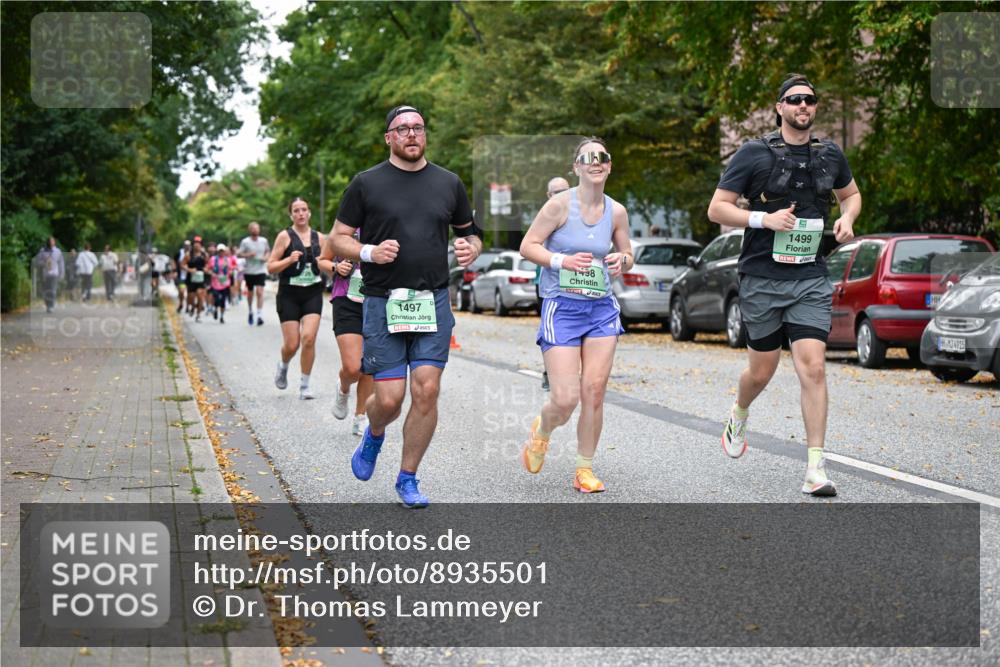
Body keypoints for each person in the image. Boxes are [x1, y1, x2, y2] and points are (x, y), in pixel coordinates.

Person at [707, 74, 861, 497]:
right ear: (780, 107)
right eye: (794, 100)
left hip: (809, 276)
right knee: (762, 370)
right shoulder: (754, 153)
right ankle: (739, 414)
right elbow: (716, 208)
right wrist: (763, 219)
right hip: (761, 277)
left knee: (812, 365)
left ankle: (816, 468)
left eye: (809, 100)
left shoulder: (829, 155)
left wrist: (847, 218)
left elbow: (851, 195)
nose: (803, 106)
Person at [330, 104, 482, 508]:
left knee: (427, 390)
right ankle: (374, 434)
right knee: (390, 399)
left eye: (418, 127)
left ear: (425, 134)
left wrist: (471, 249)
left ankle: (407, 477)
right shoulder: (366, 184)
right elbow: (337, 239)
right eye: (402, 129)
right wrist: (368, 251)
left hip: (432, 300)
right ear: (389, 138)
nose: (412, 134)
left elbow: (471, 233)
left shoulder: (449, 183)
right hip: (383, 302)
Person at [519, 138, 632, 494]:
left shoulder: (617, 211)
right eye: (588, 158)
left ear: (609, 166)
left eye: (602, 158)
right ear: (577, 167)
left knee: (594, 391)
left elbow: (627, 251)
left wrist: (622, 261)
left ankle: (584, 468)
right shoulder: (558, 206)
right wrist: (561, 260)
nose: (595, 163)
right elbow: (528, 246)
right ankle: (543, 429)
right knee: (565, 398)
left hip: (600, 307)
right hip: (562, 308)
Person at [268, 198, 326, 400]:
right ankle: (283, 365)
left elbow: (328, 262)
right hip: (289, 294)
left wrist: (325, 264)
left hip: (312, 293)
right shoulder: (284, 237)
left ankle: (304, 385)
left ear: (309, 213)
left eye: (304, 210)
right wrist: (288, 259)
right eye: (296, 210)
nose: (300, 213)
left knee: (309, 338)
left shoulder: (320, 237)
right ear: (291, 215)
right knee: (292, 344)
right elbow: (271, 267)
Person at [319, 228, 373, 436]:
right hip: (346, 300)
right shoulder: (342, 229)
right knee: (353, 368)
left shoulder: (382, 222)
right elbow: (322, 260)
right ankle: (343, 387)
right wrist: (335, 266)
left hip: (375, 300)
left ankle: (361, 416)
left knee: (369, 364)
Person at [537, 176, 571, 391]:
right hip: (549, 284)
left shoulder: (580, 212)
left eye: (564, 191)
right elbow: (532, 245)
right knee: (551, 330)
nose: (560, 195)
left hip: (580, 282)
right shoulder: (546, 215)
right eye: (556, 192)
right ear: (549, 196)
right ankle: (550, 370)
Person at [238, 222, 270, 326]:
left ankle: (259, 315)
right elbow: (239, 254)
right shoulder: (245, 241)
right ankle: (251, 310)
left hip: (261, 270)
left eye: (257, 228)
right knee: (250, 293)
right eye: (253, 228)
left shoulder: (263, 240)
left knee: (260, 292)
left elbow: (268, 251)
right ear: (249, 230)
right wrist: (248, 255)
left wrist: (265, 258)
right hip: (249, 271)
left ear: (259, 230)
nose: (255, 230)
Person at [33, 237, 65, 313]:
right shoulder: (42, 251)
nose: (51, 243)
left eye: (52, 241)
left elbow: (61, 263)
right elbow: (37, 262)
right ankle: (48, 304)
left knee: (53, 290)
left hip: (54, 274)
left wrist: (62, 273)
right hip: (45, 274)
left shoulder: (57, 251)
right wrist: (44, 263)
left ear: (54, 242)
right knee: (46, 290)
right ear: (47, 242)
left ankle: (51, 305)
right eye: (50, 241)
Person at [182, 240, 208, 322]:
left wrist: (205, 269)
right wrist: (189, 269)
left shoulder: (204, 255)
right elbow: (182, 265)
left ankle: (198, 314)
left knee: (200, 295)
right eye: (195, 245)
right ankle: (193, 306)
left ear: (201, 246)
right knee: (191, 297)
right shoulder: (188, 255)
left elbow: (208, 264)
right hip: (191, 279)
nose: (197, 246)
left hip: (201, 278)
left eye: (198, 245)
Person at [208, 244, 235, 323]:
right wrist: (212, 273)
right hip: (215, 282)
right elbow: (208, 269)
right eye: (220, 251)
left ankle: (222, 316)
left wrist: (230, 273)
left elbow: (231, 269)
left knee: (223, 300)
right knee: (216, 298)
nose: (221, 253)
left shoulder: (228, 260)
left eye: (222, 251)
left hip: (225, 283)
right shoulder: (213, 259)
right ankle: (215, 309)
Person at [174, 240, 190, 311]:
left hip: (189, 276)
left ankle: (188, 306)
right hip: (181, 276)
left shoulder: (191, 253)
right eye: (186, 245)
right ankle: (181, 303)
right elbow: (174, 261)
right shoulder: (179, 252)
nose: (187, 247)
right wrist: (174, 271)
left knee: (189, 292)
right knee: (182, 291)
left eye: (188, 245)